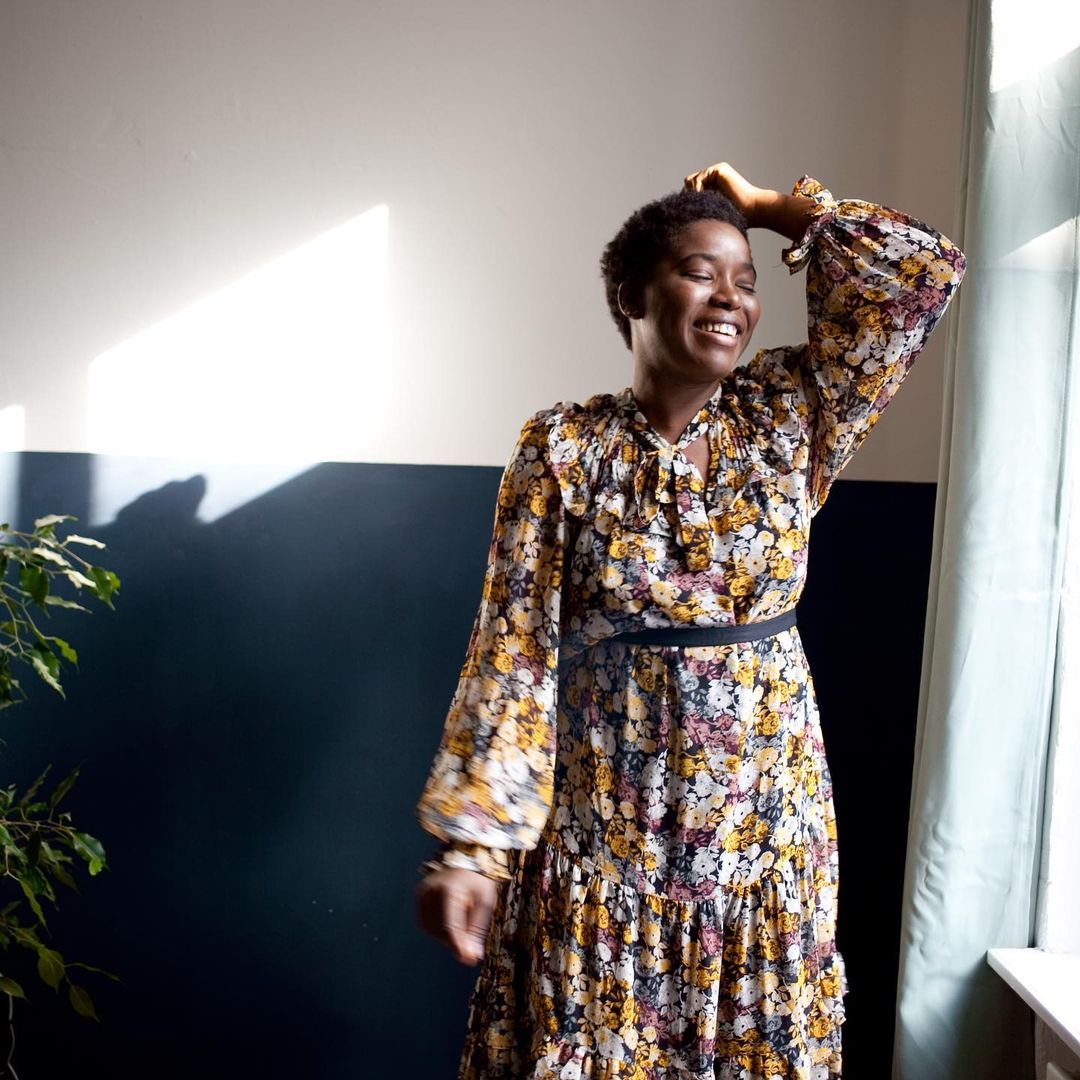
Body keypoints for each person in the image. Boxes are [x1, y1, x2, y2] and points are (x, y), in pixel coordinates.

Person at [415, 162, 966, 1079]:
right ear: (631, 295)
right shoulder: (563, 448)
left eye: (746, 281)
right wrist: (475, 847)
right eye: (700, 272)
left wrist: (769, 209)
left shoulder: (792, 416)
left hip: (765, 839)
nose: (731, 298)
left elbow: (923, 272)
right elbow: (513, 651)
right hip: (604, 845)